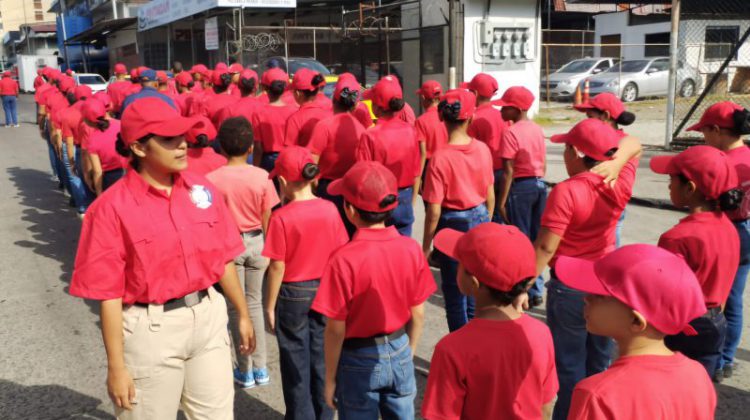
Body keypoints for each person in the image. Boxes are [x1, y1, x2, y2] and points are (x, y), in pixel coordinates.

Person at [69, 97, 256, 419]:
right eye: (168, 140)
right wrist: (116, 366)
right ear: (139, 148)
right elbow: (109, 295)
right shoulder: (110, 209)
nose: (182, 145)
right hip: (149, 330)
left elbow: (223, 257)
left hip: (207, 317)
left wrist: (241, 312)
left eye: (182, 136)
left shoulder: (202, 189)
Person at [311, 161, 436, 419]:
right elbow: (419, 313)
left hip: (357, 356)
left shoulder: (342, 258)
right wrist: (408, 352)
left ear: (350, 210)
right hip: (400, 344)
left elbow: (335, 328)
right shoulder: (410, 249)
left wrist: (330, 378)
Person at [536, 119, 642, 420]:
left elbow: (546, 248)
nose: (565, 155)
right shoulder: (618, 181)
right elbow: (634, 144)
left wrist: (520, 286)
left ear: (576, 153)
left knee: (570, 366)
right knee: (599, 360)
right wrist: (617, 162)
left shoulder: (566, 191)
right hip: (606, 284)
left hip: (570, 287)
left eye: (567, 148)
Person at [556, 244, 716, 420]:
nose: (586, 297)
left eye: (600, 295)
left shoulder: (597, 395)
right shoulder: (697, 375)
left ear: (636, 321)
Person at [422, 223, 558, 419]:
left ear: (474, 282)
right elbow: (544, 406)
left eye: (460, 263)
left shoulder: (451, 348)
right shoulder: (541, 334)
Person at [263, 146, 348, 419]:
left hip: (293, 293)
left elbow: (277, 266)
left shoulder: (281, 217)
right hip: (324, 289)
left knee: (295, 363)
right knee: (323, 359)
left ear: (284, 182)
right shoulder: (329, 210)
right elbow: (340, 255)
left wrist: (269, 305)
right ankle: (325, 413)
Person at [651, 145, 741, 379]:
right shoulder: (729, 228)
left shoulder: (676, 238)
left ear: (689, 188)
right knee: (698, 390)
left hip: (684, 325)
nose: (669, 185)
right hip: (715, 321)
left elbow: (665, 296)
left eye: (671, 179)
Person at [207, 117, 280, 390]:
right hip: (258, 243)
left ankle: (244, 369)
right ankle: (260, 367)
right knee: (254, 304)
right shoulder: (262, 176)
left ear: (221, 148)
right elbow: (267, 216)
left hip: (230, 246)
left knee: (236, 308)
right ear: (251, 147)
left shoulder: (212, 180)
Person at [422, 89, 494, 332]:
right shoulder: (483, 149)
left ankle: (461, 348)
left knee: (454, 294)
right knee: (476, 288)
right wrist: (487, 222)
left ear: (442, 118)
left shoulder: (440, 158)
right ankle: (477, 344)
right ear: (471, 118)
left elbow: (433, 210)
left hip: (452, 222)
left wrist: (426, 246)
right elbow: (490, 193)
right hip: (480, 215)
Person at [691, 102, 750, 380]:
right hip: (745, 229)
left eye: (704, 131)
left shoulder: (726, 163)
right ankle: (726, 358)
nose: (703, 137)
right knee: (734, 298)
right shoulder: (747, 156)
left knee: (714, 298)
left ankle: (710, 357)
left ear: (716, 130)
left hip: (722, 229)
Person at [495, 86, 547, 308]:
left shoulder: (511, 132)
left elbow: (508, 171)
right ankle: (536, 289)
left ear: (515, 109)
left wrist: (501, 202)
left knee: (523, 241)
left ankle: (522, 289)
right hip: (539, 184)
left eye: (505, 107)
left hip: (521, 187)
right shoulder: (536, 129)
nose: (501, 110)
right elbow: (543, 162)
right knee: (536, 239)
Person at [357, 76, 421, 237]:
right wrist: (412, 199)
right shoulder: (410, 131)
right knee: (404, 246)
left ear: (378, 107)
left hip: (379, 198)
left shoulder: (370, 135)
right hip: (404, 196)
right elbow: (416, 171)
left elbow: (363, 175)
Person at [573, 92, 637, 248]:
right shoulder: (615, 138)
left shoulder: (614, 142)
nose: (587, 121)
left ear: (606, 116)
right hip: (612, 204)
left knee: (605, 249)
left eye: (590, 117)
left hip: (606, 204)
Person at [309, 75, 366, 236]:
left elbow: (311, 163)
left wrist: (313, 191)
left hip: (326, 190)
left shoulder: (324, 126)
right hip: (351, 193)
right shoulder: (360, 130)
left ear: (333, 101)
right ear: (355, 105)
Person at [464, 73, 508, 220]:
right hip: (504, 171)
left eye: (470, 91)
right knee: (500, 216)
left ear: (475, 93)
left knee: (484, 216)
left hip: (483, 174)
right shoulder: (503, 116)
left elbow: (469, 148)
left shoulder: (474, 118)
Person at [59, 84, 95, 217]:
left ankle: (83, 207)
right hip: (98, 149)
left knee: (77, 178)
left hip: (80, 148)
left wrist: (71, 161)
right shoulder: (96, 107)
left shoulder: (68, 113)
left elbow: (68, 142)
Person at [252, 68, 298, 173]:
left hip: (268, 160)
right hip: (290, 158)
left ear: (265, 88)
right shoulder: (294, 111)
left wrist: (255, 169)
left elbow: (258, 147)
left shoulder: (259, 113)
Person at [82, 98, 126, 194]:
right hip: (130, 172)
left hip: (110, 179)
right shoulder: (122, 124)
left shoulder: (92, 140)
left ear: (88, 121)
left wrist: (99, 194)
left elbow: (98, 171)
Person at [284, 68, 332, 148]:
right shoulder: (329, 115)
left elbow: (290, 151)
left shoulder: (294, 119)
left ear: (298, 93)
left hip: (303, 160)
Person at [414, 80, 448, 188]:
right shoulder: (448, 117)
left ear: (423, 98)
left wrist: (418, 177)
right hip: (448, 163)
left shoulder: (421, 121)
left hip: (430, 166)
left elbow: (422, 153)